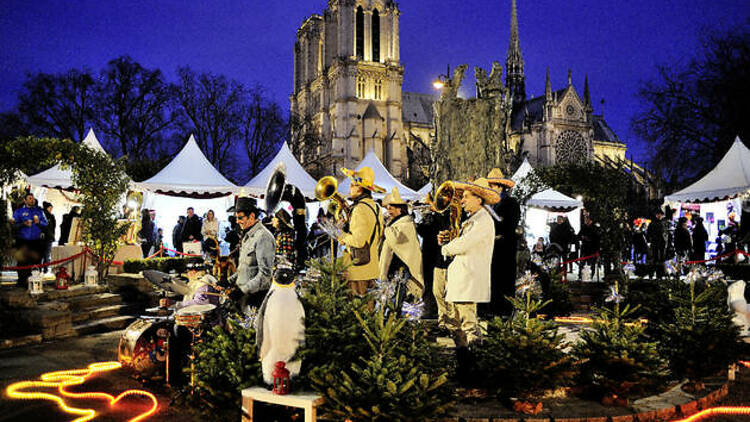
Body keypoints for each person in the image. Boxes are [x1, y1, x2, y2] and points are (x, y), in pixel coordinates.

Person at [439, 178, 499, 379]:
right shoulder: (473, 220)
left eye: (466, 197)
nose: (461, 201)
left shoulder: (483, 221)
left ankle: (475, 368)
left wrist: (446, 247)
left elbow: (465, 244)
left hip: (469, 280)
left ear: (478, 199)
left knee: (469, 325)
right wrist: (447, 238)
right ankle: (464, 365)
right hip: (461, 279)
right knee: (457, 325)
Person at [337, 166, 385, 296]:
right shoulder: (376, 207)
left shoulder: (359, 209)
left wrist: (341, 235)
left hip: (357, 270)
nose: (350, 188)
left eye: (352, 185)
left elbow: (358, 241)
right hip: (372, 266)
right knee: (369, 310)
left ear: (359, 188)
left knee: (358, 310)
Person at [379, 187, 424, 308]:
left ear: (399, 209)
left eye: (391, 208)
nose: (388, 211)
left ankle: (397, 320)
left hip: (402, 268)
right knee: (392, 298)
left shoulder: (406, 224)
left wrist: (386, 228)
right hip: (394, 268)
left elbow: (395, 240)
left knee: (398, 299)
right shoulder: (396, 223)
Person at [229, 197, 275, 309]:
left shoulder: (263, 237)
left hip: (254, 298)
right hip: (244, 295)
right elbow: (246, 268)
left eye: (240, 218)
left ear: (252, 216)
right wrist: (229, 281)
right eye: (236, 218)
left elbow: (265, 276)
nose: (237, 221)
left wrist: (242, 291)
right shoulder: (247, 235)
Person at [485, 168, 519, 318]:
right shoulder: (490, 205)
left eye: (491, 186)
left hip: (504, 251)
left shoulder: (511, 203)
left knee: (504, 284)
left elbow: (508, 226)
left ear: (499, 186)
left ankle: (504, 313)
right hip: (492, 252)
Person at [416, 203, 450, 326]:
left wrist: (435, 213)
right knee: (432, 287)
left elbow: (429, 231)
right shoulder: (436, 217)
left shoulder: (444, 217)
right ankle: (434, 312)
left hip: (437, 255)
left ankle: (433, 312)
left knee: (435, 288)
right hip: (431, 255)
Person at [11, 193, 48, 287]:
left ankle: (36, 281)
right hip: (23, 240)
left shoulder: (39, 211)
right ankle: (22, 281)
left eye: (33, 198)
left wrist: (38, 222)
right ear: (25, 200)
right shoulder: (19, 211)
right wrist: (24, 224)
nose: (32, 200)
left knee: (36, 261)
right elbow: (14, 225)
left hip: (36, 240)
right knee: (22, 262)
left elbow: (46, 224)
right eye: (30, 198)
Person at [648, 208, 668, 277]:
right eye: (658, 214)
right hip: (656, 242)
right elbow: (649, 233)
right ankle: (655, 273)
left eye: (660, 214)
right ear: (656, 215)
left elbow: (666, 233)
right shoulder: (653, 223)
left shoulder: (663, 222)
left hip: (660, 242)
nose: (659, 216)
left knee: (660, 259)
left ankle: (659, 273)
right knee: (655, 258)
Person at [41, 201, 56, 272]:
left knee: (42, 254)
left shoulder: (41, 214)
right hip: (48, 237)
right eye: (50, 208)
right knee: (46, 253)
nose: (51, 209)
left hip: (43, 238)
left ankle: (40, 268)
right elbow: (52, 227)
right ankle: (45, 268)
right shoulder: (49, 216)